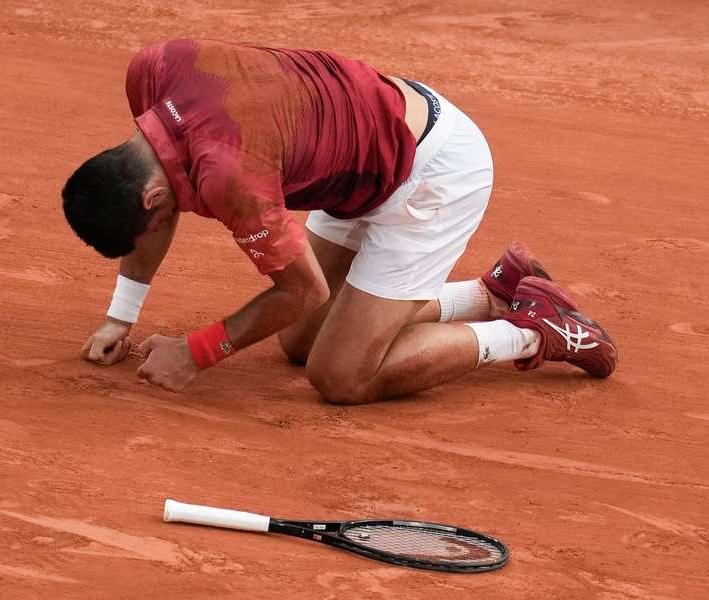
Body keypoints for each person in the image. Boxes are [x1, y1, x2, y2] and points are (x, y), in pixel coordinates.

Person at [62, 39, 617, 403]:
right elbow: (153, 205)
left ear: (154, 196)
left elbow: (301, 289)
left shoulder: (230, 176)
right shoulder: (152, 70)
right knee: (301, 344)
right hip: (361, 150)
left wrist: (200, 350)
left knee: (342, 376)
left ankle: (531, 331)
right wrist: (121, 317)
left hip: (433, 174)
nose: (161, 226)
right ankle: (490, 293)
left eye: (156, 220)